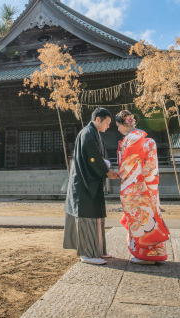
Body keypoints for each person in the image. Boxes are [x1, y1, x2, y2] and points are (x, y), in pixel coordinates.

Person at [63, 107, 119, 265]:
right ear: (98, 120)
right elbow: (93, 157)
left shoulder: (94, 133)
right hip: (84, 184)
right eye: (107, 123)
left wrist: (107, 169)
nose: (108, 126)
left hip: (91, 182)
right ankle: (87, 254)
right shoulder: (87, 133)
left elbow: (98, 157)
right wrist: (107, 171)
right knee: (87, 217)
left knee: (97, 217)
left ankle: (99, 250)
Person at [114, 109, 169, 264]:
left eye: (118, 126)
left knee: (140, 217)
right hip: (150, 184)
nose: (118, 129)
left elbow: (127, 166)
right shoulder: (146, 139)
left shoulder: (130, 140)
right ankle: (157, 252)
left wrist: (122, 177)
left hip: (135, 185)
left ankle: (146, 254)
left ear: (123, 124)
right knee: (153, 215)